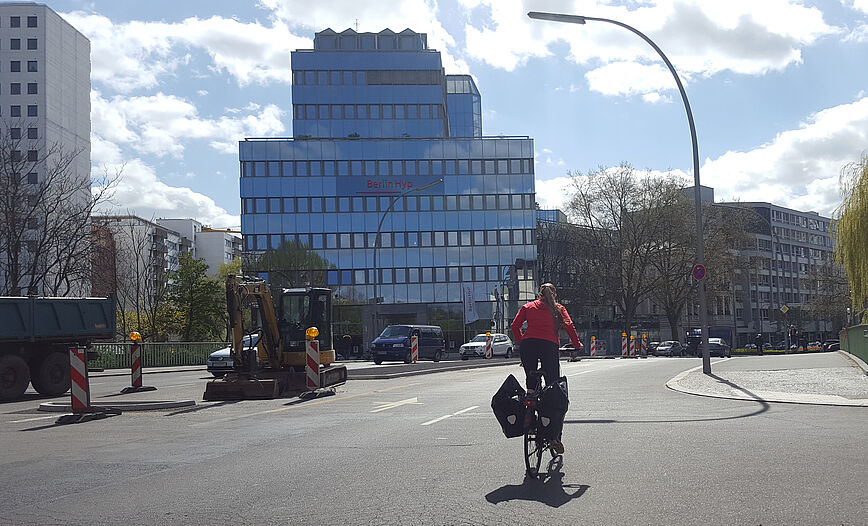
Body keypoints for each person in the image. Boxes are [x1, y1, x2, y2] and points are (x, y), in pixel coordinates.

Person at [510, 283, 582, 454]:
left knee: (531, 381)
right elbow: (569, 326)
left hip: (528, 345)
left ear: (538, 295)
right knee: (552, 387)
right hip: (549, 346)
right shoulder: (558, 309)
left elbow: (515, 326)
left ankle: (529, 417)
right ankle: (552, 435)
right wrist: (577, 344)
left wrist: (522, 342)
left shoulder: (528, 307)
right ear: (554, 295)